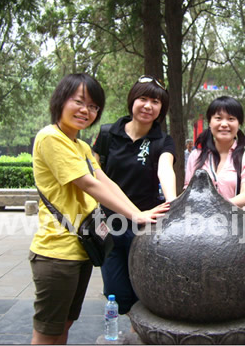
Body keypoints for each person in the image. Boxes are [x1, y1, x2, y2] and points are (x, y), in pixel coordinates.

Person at [30, 74, 168, 344]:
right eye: (79, 102)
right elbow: (89, 185)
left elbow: (107, 182)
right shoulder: (50, 137)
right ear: (60, 101)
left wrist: (140, 214)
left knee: (64, 325)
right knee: (47, 333)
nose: (86, 111)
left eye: (93, 106)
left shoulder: (79, 145)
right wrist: (136, 214)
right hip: (55, 253)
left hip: (79, 249)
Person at [93, 75, 177, 317]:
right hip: (109, 225)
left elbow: (165, 169)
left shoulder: (162, 140)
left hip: (147, 227)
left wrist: (171, 201)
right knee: (116, 294)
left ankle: (141, 335)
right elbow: (94, 173)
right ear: (132, 100)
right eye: (143, 98)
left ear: (162, 108)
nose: (148, 105)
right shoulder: (108, 134)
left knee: (146, 292)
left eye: (156, 101)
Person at [185, 96, 245, 209]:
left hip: (233, 223)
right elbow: (188, 192)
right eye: (218, 118)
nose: (224, 124)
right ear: (209, 122)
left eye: (231, 119)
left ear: (239, 124)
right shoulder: (196, 156)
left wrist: (212, 209)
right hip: (199, 223)